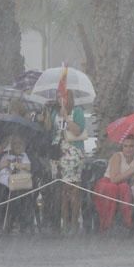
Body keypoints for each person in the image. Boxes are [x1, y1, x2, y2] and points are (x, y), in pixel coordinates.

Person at [46, 90, 87, 233]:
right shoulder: (54, 113)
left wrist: (66, 117)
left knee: (74, 188)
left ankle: (75, 221)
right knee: (62, 189)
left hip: (72, 152)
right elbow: (50, 130)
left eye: (63, 96)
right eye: (58, 97)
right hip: (58, 153)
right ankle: (64, 221)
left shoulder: (77, 112)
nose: (60, 99)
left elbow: (78, 131)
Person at [93, 135, 134, 233]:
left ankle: (126, 221)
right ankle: (107, 223)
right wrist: (132, 170)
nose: (128, 149)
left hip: (123, 185)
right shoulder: (117, 156)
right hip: (107, 182)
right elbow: (114, 179)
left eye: (131, 146)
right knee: (113, 188)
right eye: (125, 146)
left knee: (124, 187)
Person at [0, 135, 33, 234]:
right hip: (6, 184)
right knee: (8, 196)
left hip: (20, 182)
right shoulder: (6, 155)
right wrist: (7, 163)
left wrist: (19, 165)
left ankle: (21, 222)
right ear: (11, 145)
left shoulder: (24, 155)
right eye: (15, 143)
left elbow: (29, 167)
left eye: (19, 143)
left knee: (23, 196)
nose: (17, 146)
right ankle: (8, 222)